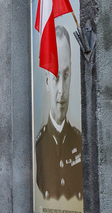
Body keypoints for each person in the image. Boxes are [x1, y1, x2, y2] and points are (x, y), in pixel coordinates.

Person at [35, 25, 82, 201]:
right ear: (47, 81)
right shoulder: (38, 145)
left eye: (66, 75)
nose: (62, 90)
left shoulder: (79, 141)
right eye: (55, 77)